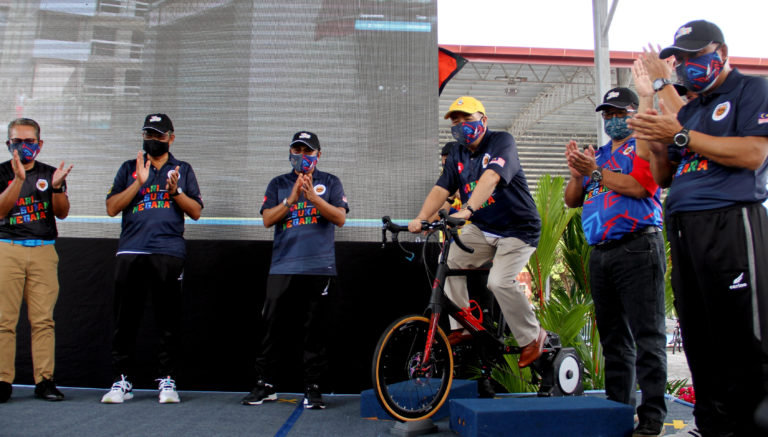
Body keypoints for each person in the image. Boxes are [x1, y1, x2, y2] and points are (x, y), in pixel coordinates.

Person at [628, 20, 768, 437]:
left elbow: (755, 153)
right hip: (685, 229)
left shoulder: (750, 89)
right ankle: (711, 423)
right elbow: (666, 176)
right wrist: (658, 147)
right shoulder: (690, 108)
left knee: (743, 335)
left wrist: (683, 135)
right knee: (699, 334)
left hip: (730, 222)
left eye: (695, 56)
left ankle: (753, 424)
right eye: (680, 59)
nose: (687, 65)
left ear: (721, 52)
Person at [408, 96, 544, 371]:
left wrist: (468, 209)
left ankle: (532, 337)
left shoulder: (501, 141)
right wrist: (422, 218)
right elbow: (441, 189)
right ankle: (464, 325)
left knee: (499, 282)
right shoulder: (457, 153)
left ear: (483, 120)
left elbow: (491, 177)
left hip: (518, 230)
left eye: (466, 119)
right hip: (485, 229)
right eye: (455, 122)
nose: (460, 126)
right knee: (449, 262)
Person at [564, 87, 667, 437]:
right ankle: (617, 411)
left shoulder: (642, 143)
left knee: (648, 335)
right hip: (602, 253)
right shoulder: (601, 153)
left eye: (618, 112)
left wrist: (594, 173)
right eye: (606, 114)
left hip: (637, 246)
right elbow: (571, 200)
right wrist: (579, 173)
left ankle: (651, 416)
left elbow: (642, 187)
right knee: (613, 340)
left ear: (634, 113)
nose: (612, 120)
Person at [101, 113, 203, 404]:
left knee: (167, 319)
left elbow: (195, 212)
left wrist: (175, 192)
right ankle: (122, 381)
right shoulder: (128, 168)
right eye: (148, 134)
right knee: (126, 318)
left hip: (168, 252)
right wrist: (138, 183)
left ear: (171, 137)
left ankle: (166, 379)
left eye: (159, 135)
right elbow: (111, 208)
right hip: (131, 251)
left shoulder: (182, 168)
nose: (153, 140)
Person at [242, 131, 348, 410]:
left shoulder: (330, 182)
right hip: (283, 266)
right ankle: (265, 384)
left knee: (314, 330)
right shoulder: (278, 183)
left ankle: (313, 388)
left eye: (308, 151)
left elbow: (340, 218)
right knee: (272, 327)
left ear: (318, 155)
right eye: (297, 150)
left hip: (319, 266)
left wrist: (314, 198)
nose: (302, 156)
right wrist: (291, 199)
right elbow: (267, 220)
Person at [0, 118, 72, 403]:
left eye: (29, 142)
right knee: (4, 321)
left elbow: (63, 213)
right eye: (17, 142)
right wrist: (18, 179)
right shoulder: (2, 172)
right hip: (8, 249)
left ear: (39, 145)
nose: (23, 147)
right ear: (9, 144)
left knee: (43, 321)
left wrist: (56, 188)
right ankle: (3, 381)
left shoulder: (50, 173)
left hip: (43, 250)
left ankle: (45, 381)